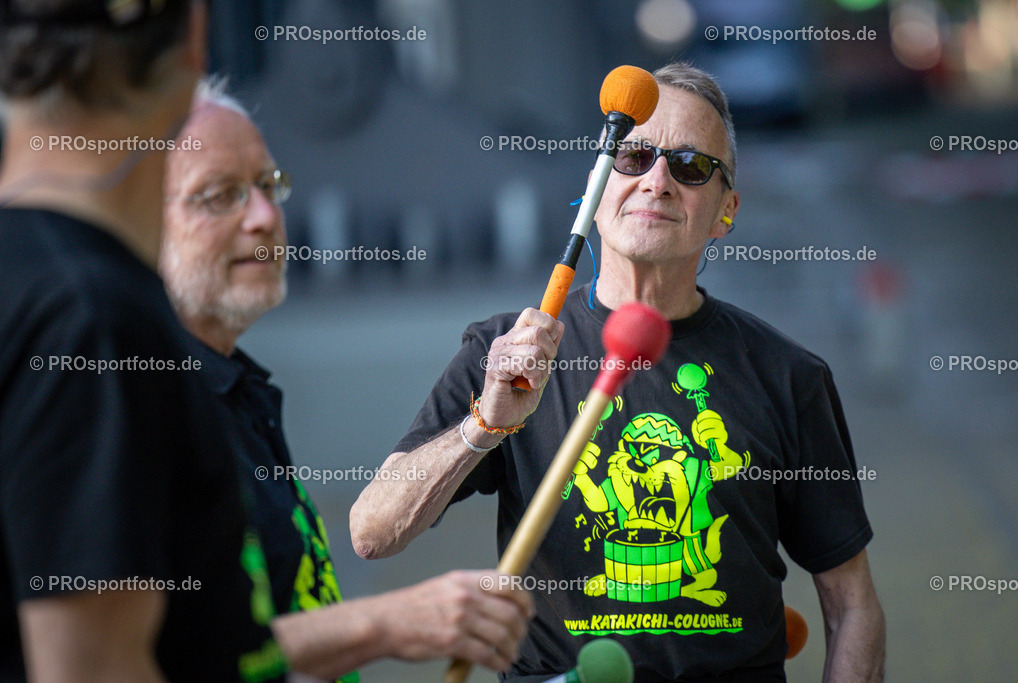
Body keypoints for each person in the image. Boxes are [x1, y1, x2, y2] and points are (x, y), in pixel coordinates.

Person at [351, 61, 886, 682]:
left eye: (690, 167)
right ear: (596, 190)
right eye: (633, 157)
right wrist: (484, 424)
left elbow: (852, 606)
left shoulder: (788, 375)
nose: (657, 181)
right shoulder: (503, 355)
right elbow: (372, 532)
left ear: (726, 211)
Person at [158, 79, 533, 681]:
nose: (263, 216)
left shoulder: (235, 390)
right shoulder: (127, 403)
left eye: (268, 186)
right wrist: (384, 624)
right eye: (219, 195)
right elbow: (167, 651)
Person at [0, 0, 289, 680]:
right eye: (217, 194)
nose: (263, 216)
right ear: (195, 36)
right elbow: (94, 668)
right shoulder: (89, 316)